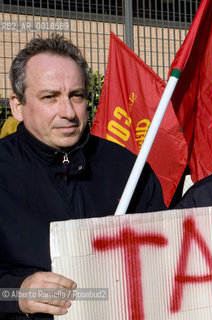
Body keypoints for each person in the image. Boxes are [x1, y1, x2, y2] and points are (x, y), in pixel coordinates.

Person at [0, 34, 166, 319]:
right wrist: (16, 293)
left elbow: (165, 258)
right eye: (49, 97)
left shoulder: (128, 169)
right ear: (18, 105)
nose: (68, 112)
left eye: (76, 96)